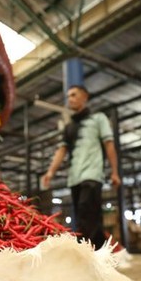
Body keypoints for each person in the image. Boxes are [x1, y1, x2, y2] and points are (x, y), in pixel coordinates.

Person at [41, 85, 121, 249]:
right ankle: (98, 252)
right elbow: (62, 150)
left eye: (74, 95)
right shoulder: (70, 127)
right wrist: (50, 172)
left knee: (87, 211)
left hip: (92, 173)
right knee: (85, 216)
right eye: (68, 96)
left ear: (85, 97)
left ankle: (89, 252)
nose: (70, 98)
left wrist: (115, 172)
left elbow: (109, 144)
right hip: (74, 177)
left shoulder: (99, 119)